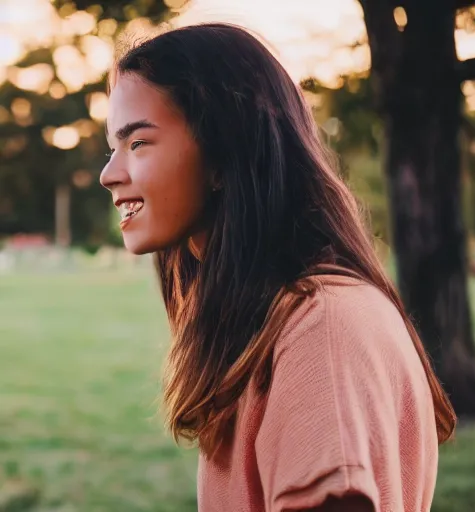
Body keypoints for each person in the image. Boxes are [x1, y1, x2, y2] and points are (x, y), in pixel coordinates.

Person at [100, 23, 456, 512]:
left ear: (224, 153)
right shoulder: (273, 318)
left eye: (138, 143)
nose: (109, 174)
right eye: (111, 148)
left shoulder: (322, 329)